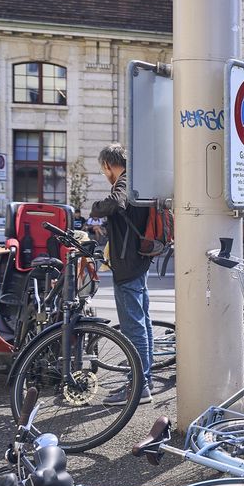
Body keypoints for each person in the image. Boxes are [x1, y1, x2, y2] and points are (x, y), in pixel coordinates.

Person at [90, 143, 154, 405]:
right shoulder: (139, 180)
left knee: (133, 327)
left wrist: (95, 208)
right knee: (143, 322)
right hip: (138, 260)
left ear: (108, 165)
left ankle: (138, 387)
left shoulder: (124, 182)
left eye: (103, 169)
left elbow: (115, 203)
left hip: (128, 263)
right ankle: (143, 381)